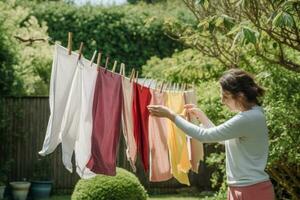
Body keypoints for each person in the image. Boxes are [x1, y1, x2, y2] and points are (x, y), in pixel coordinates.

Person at [147, 68, 275, 200]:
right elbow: (221, 139)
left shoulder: (248, 118)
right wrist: (203, 118)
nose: (222, 101)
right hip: (244, 188)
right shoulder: (253, 115)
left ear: (241, 95)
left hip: (251, 191)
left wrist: (172, 116)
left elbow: (205, 136)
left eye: (225, 96)